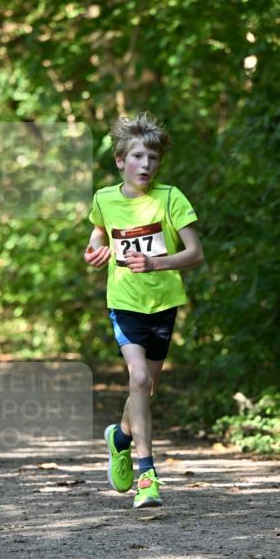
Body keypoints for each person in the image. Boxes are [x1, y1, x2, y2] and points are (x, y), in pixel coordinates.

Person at [84, 112, 203, 508]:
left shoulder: (170, 198)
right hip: (124, 302)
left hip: (164, 303)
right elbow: (99, 235)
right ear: (121, 160)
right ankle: (147, 475)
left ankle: (119, 438)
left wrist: (157, 263)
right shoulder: (104, 199)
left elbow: (195, 253)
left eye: (152, 158)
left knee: (146, 388)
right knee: (137, 379)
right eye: (137, 157)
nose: (146, 165)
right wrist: (93, 252)